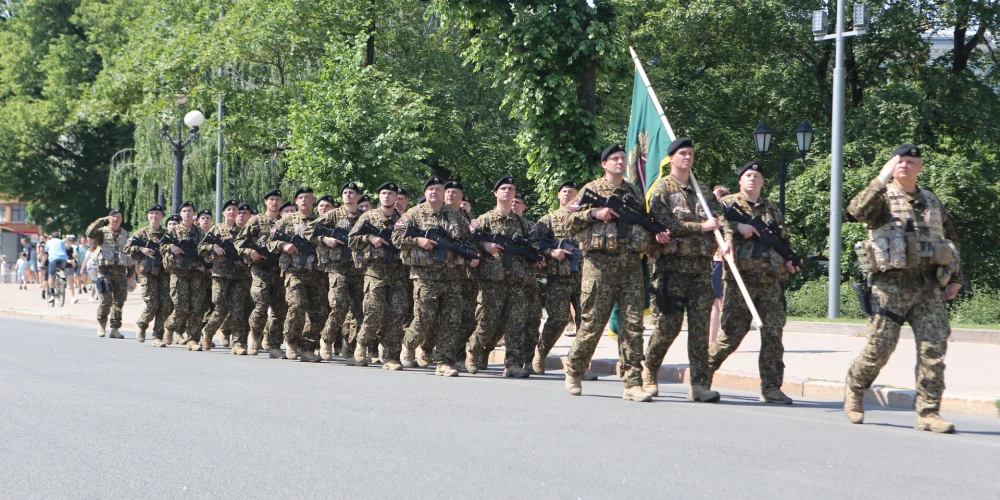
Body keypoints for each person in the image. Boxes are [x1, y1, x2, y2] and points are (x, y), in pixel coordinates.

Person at [844, 144, 962, 433]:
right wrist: (881, 177)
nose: (904, 166)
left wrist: (957, 277)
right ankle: (855, 388)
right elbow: (856, 210)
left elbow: (952, 238)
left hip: (928, 287)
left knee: (933, 349)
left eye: (911, 162)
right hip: (890, 287)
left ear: (920, 166)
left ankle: (928, 413)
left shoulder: (932, 201)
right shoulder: (882, 200)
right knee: (879, 348)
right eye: (899, 162)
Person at [563, 144, 670, 402]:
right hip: (599, 265)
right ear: (604, 164)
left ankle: (632, 382)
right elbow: (566, 221)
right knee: (592, 323)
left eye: (622, 158)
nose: (620, 162)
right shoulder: (592, 189)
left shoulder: (633, 191)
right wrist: (594, 213)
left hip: (631, 266)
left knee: (633, 325)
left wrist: (658, 237)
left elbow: (641, 226)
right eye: (614, 159)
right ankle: (574, 369)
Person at [707, 161, 798, 404]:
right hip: (741, 281)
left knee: (773, 334)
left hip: (769, 281)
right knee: (731, 335)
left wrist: (789, 260)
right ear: (739, 180)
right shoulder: (727, 204)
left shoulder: (770, 208)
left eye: (757, 176)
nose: (752, 179)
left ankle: (771, 387)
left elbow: (781, 239)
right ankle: (701, 375)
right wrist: (739, 226)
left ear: (762, 181)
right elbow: (714, 225)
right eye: (747, 175)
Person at [644, 138, 727, 402]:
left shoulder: (701, 189)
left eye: (691, 153)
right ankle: (649, 370)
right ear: (672, 158)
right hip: (672, 267)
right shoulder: (663, 188)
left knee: (700, 327)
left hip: (701, 267)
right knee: (668, 325)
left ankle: (700, 384)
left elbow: (720, 218)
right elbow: (663, 221)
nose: (688, 157)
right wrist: (699, 227)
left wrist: (728, 240)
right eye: (682, 153)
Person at [393, 176, 480, 376]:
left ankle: (443, 361)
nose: (434, 192)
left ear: (443, 193)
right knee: (424, 318)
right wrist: (418, 241)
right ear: (425, 193)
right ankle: (408, 343)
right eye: (430, 189)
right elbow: (396, 236)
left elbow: (468, 240)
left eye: (438, 189)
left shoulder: (455, 214)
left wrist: (471, 256)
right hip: (425, 275)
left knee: (451, 319)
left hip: (452, 275)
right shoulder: (413, 214)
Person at [466, 177, 540, 378]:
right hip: (492, 281)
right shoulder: (484, 221)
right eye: (503, 188)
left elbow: (535, 248)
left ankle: (513, 364)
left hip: (518, 281)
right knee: (487, 322)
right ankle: (472, 353)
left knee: (515, 324)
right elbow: (467, 243)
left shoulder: (524, 224)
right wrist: (485, 246)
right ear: (496, 193)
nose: (507, 192)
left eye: (511, 189)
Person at [347, 182, 408, 370]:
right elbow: (352, 240)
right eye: (383, 193)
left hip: (398, 273)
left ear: (396, 198)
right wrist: (369, 238)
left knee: (396, 315)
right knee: (373, 312)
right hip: (375, 272)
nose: (387, 197)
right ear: (379, 196)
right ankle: (362, 344)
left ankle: (390, 356)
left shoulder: (403, 219)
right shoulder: (369, 217)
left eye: (390, 193)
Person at [530, 180, 583, 374]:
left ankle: (578, 364)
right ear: (558, 196)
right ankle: (541, 353)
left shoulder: (583, 219)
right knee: (558, 320)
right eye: (564, 191)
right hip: (558, 278)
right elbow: (533, 243)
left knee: (586, 322)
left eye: (572, 192)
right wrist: (551, 252)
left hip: (583, 277)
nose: (567, 194)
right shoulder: (548, 220)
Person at [270, 187, 325, 362]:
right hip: (294, 271)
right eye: (300, 197)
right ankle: (291, 341)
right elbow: (269, 240)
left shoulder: (321, 220)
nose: (304, 200)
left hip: (317, 271)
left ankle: (308, 348)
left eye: (307, 197)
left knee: (317, 312)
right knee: (296, 305)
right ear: (295, 201)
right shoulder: (286, 220)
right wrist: (283, 246)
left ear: (313, 200)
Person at [314, 182, 365, 362]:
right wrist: (325, 239)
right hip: (337, 268)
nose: (348, 195)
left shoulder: (364, 217)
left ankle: (351, 350)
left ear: (358, 196)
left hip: (358, 269)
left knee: (360, 310)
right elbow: (308, 230)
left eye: (351, 193)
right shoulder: (333, 214)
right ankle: (326, 340)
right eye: (345, 193)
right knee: (339, 305)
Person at [236, 189, 288, 358]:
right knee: (261, 305)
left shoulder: (285, 221)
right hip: (260, 269)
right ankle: (254, 337)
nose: (274, 202)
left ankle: (274, 345)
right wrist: (250, 253)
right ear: (266, 201)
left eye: (277, 199)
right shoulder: (256, 220)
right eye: (271, 199)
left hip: (280, 270)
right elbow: (239, 242)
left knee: (279, 310)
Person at [199, 200, 251, 354]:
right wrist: (213, 247)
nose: (232, 212)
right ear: (223, 213)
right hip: (221, 274)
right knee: (221, 307)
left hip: (240, 275)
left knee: (238, 309)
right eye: (229, 209)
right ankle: (207, 333)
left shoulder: (244, 230)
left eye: (235, 209)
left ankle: (238, 342)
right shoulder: (217, 229)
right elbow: (201, 247)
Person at [161, 201, 208, 350]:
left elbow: (206, 247)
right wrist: (172, 247)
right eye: (184, 211)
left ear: (194, 214)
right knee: (181, 307)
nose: (187, 213)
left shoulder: (199, 232)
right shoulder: (174, 230)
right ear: (181, 214)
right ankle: (169, 327)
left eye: (190, 211)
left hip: (196, 273)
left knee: (197, 307)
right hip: (179, 272)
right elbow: (162, 246)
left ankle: (193, 339)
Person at [443, 180, 478, 371]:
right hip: (443, 273)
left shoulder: (468, 218)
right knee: (444, 316)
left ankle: (457, 356)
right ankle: (433, 352)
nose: (450, 195)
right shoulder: (437, 214)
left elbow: (475, 240)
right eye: (448, 191)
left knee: (465, 317)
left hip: (466, 275)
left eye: (455, 192)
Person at [86, 209, 136, 339]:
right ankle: (102, 325)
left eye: (118, 217)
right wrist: (101, 220)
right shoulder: (102, 232)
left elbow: (128, 253)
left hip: (120, 272)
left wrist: (131, 272)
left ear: (122, 219)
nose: (115, 219)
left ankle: (115, 328)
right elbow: (89, 233)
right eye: (113, 217)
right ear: (109, 218)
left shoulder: (125, 234)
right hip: (105, 271)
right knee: (106, 299)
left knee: (119, 301)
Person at [125, 204, 170, 345]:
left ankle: (157, 336)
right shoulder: (142, 233)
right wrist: (141, 248)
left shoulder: (167, 233)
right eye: (151, 213)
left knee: (165, 305)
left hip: (164, 272)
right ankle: (142, 324)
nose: (154, 216)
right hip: (148, 273)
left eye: (157, 213)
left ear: (162, 216)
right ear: (148, 216)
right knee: (152, 303)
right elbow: (127, 247)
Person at [709, 186, 730, 343]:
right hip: (712, 260)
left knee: (721, 301)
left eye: (717, 198)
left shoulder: (726, 217)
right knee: (716, 301)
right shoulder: (708, 216)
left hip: (723, 261)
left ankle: (718, 339)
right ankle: (713, 338)